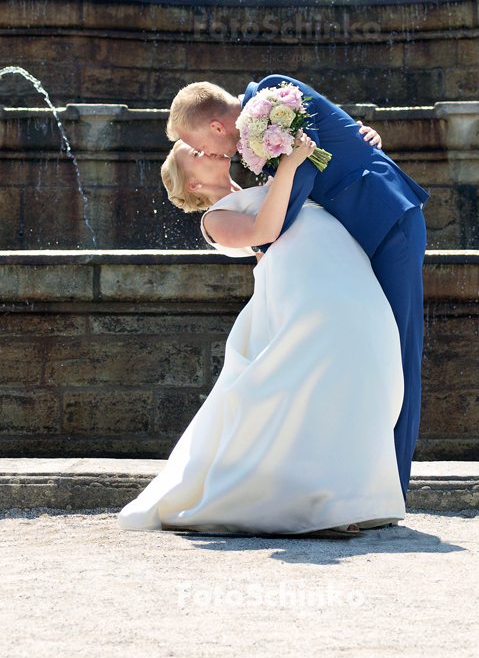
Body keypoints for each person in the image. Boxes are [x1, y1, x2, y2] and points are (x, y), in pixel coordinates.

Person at [117, 129, 406, 534]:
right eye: (192, 153)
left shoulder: (264, 182)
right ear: (194, 184)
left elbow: (321, 184)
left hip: (341, 273)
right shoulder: (214, 219)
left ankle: (343, 497)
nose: (203, 148)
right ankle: (309, 508)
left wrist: (363, 143)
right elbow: (266, 230)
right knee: (307, 386)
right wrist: (289, 164)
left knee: (360, 371)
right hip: (308, 293)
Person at [166, 76, 429, 502]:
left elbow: (306, 166)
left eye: (203, 144)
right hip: (351, 242)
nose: (214, 154)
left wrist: (267, 237)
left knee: (398, 354)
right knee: (368, 359)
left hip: (384, 219)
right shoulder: (253, 152)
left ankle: (391, 490)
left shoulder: (272, 98)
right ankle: (357, 484)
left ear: (215, 127)